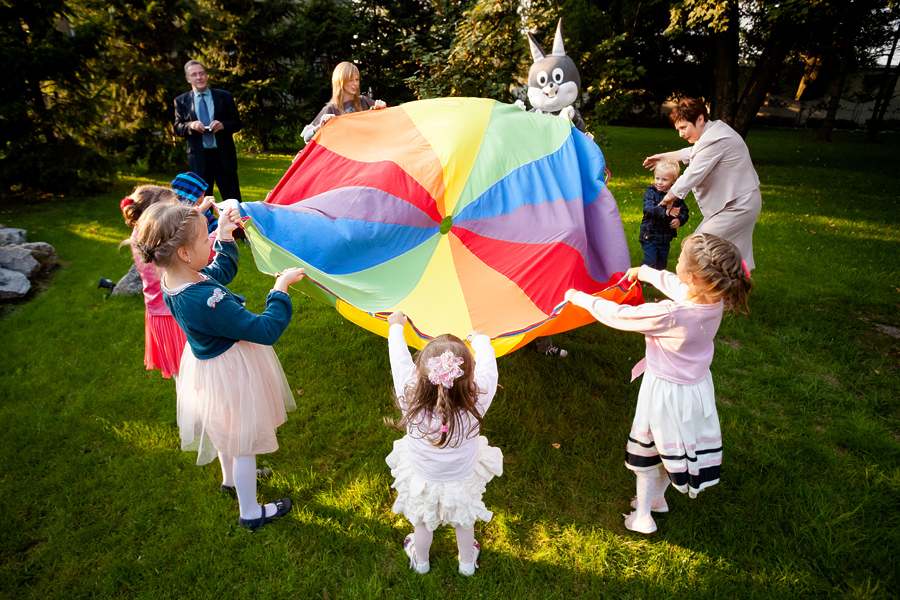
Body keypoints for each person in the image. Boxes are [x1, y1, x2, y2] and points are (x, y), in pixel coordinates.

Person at [125, 201, 306, 530]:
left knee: (227, 431)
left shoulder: (174, 281)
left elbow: (217, 273)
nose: (209, 242)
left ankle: (232, 480)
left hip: (207, 368)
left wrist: (223, 234)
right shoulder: (207, 301)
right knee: (244, 443)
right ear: (183, 253)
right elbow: (264, 330)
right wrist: (280, 290)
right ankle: (250, 512)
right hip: (231, 370)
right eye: (204, 240)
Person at [565, 233, 753, 534]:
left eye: (679, 259)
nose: (676, 261)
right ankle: (658, 499)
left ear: (692, 276)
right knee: (672, 448)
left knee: (649, 453)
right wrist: (647, 273)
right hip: (694, 390)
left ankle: (642, 516)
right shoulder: (715, 300)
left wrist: (580, 298)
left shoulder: (671, 315)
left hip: (664, 393)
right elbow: (680, 288)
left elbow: (620, 315)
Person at [384, 311, 503, 576]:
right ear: (469, 376)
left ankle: (421, 560)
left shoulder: (409, 397)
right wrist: (482, 341)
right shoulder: (477, 400)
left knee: (423, 522)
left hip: (424, 476)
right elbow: (489, 370)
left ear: (420, 372)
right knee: (464, 520)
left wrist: (395, 328)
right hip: (460, 475)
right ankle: (466, 562)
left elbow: (399, 361)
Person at [642, 98, 761, 270]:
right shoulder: (714, 133)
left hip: (738, 206)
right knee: (732, 256)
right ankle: (729, 294)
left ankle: (697, 293)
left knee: (697, 247)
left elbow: (692, 174)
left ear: (700, 119)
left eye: (683, 128)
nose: (681, 134)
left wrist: (667, 199)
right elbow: (694, 152)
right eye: (678, 129)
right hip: (738, 202)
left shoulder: (717, 139)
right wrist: (664, 157)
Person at [120, 185, 187, 380]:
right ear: (152, 214)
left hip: (159, 313)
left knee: (182, 374)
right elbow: (190, 259)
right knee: (190, 373)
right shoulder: (156, 241)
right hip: (173, 315)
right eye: (169, 210)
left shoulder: (141, 234)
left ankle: (193, 407)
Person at [173, 60, 243, 203]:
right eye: (194, 74)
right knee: (201, 205)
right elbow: (178, 127)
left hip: (223, 157)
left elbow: (237, 123)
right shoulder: (181, 101)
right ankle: (206, 226)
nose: (199, 77)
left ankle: (238, 226)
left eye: (201, 73)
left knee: (233, 202)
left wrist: (223, 125)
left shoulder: (224, 97)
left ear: (207, 75)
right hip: (199, 160)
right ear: (188, 79)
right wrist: (191, 125)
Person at [301, 61, 387, 143]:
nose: (355, 84)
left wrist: (382, 109)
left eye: (357, 79)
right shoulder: (331, 108)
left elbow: (384, 122)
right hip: (345, 156)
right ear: (340, 81)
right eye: (350, 80)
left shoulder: (364, 101)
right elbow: (307, 138)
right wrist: (319, 127)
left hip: (368, 152)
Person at [639, 160, 689, 271]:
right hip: (649, 234)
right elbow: (648, 209)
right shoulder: (651, 193)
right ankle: (644, 278)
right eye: (657, 178)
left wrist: (679, 220)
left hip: (665, 237)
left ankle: (658, 280)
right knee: (650, 261)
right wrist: (667, 211)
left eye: (665, 180)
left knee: (661, 264)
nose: (659, 182)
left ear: (673, 181)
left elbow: (684, 211)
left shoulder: (676, 196)